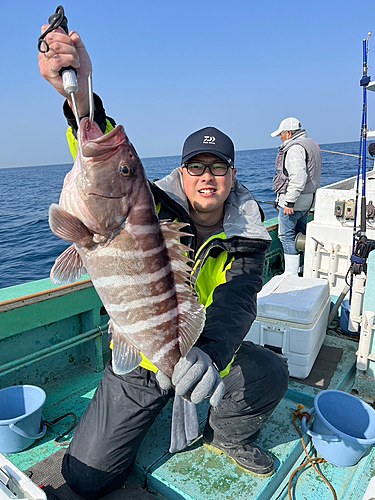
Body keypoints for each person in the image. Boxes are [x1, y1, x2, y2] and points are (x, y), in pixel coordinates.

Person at [39, 26, 289, 500]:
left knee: (271, 373)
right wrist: (81, 93)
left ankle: (229, 433)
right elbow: (102, 154)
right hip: (137, 354)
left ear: (234, 175)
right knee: (87, 478)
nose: (207, 176)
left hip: (198, 350)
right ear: (181, 171)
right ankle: (157, 403)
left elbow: (238, 302)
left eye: (219, 167)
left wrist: (206, 357)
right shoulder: (148, 206)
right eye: (196, 165)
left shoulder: (249, 234)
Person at [271, 117, 322, 275]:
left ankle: (291, 273)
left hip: (295, 201)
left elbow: (298, 178)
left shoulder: (294, 149)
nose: (281, 137)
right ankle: (303, 268)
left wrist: (289, 202)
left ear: (289, 133)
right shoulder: (311, 144)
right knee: (302, 234)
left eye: (282, 134)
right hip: (308, 201)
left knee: (286, 235)